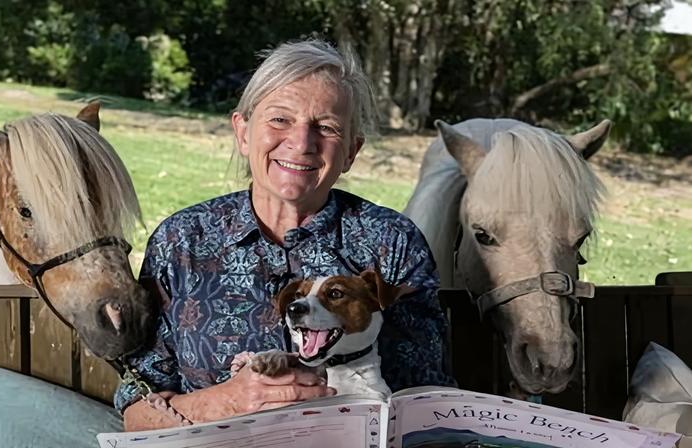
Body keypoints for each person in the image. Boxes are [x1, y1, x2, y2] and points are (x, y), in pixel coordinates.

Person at [117, 39, 454, 431]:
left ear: (351, 152)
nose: (301, 143)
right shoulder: (182, 242)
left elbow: (429, 402)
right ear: (243, 133)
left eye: (326, 127)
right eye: (280, 120)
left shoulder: (393, 243)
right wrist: (227, 402)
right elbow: (136, 411)